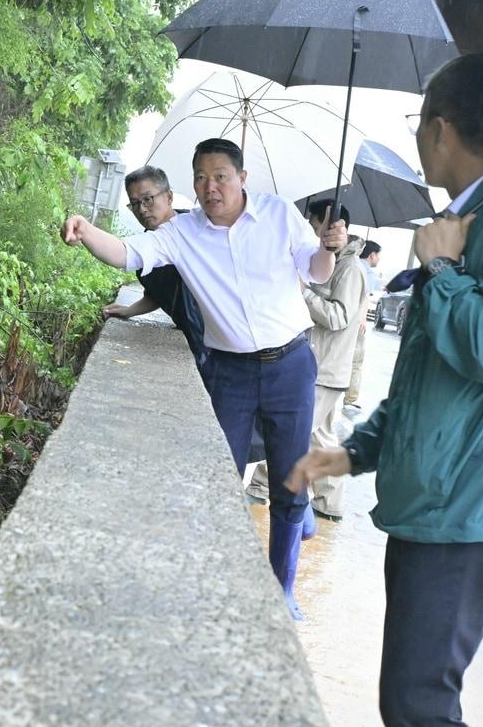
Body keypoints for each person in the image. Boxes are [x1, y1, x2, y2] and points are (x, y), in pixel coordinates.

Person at [287, 53, 483, 725]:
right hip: (440, 494)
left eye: (420, 126)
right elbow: (432, 377)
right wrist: (356, 452)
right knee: (413, 696)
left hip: (475, 504)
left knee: (419, 702)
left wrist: (444, 270)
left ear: (441, 129)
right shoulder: (467, 219)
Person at [61, 137, 347, 621]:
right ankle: (204, 582)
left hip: (291, 365)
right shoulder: (183, 233)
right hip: (230, 371)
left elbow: (315, 271)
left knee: (290, 480)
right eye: (201, 177)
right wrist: (87, 231)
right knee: (214, 479)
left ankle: (282, 589)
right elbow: (126, 253)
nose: (210, 186)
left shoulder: (278, 214)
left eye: (220, 176)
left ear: (242, 178)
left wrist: (328, 248)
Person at [246, 200, 368, 521]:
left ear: (326, 223)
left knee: (287, 433)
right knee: (321, 437)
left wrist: (303, 292)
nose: (308, 229)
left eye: (312, 223)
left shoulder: (349, 268)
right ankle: (328, 505)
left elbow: (339, 316)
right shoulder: (336, 260)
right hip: (324, 366)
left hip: (326, 367)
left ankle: (259, 490)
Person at [101, 166, 209, 373]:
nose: (141, 209)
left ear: (168, 197)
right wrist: (127, 310)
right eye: (134, 203)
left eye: (148, 199)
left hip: (222, 344)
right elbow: (158, 295)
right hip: (192, 344)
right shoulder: (145, 249)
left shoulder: (201, 230)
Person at [344, 241, 383, 411]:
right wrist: (362, 319)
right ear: (372, 255)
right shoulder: (364, 269)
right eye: (379, 255)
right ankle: (350, 397)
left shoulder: (351, 264)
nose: (379, 259)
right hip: (355, 321)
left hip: (346, 318)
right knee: (356, 360)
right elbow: (365, 295)